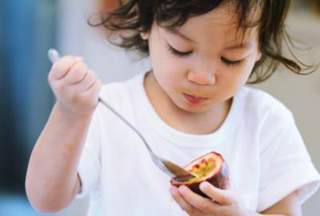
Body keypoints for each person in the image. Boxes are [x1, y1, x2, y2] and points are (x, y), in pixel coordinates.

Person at [25, 0, 320, 215]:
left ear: (259, 49)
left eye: (231, 58)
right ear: (146, 23)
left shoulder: (268, 122)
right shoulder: (108, 109)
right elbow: (46, 199)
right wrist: (70, 115)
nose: (202, 77)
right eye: (181, 50)